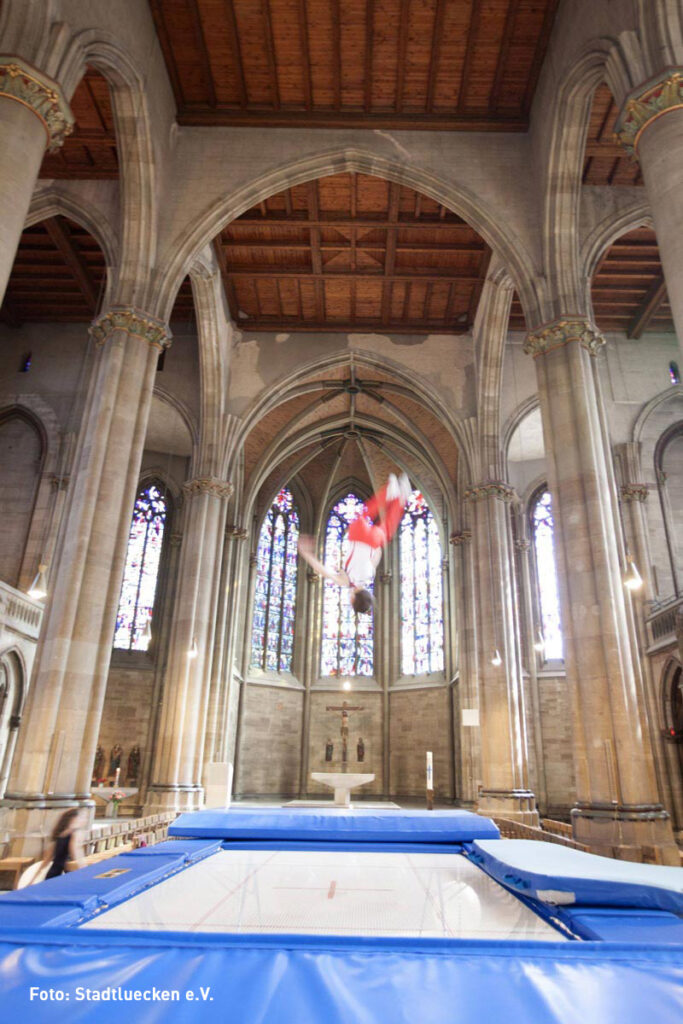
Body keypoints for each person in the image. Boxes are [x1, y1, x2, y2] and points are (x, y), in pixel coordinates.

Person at [298, 473, 411, 614]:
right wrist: (306, 553)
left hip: (375, 542)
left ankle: (401, 498)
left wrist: (372, 545)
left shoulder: (370, 576)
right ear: (352, 599)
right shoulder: (347, 581)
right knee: (362, 514)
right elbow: (322, 570)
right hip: (359, 537)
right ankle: (390, 492)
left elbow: (377, 554)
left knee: (387, 529)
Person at [40, 808, 86, 880]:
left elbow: (46, 860)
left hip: (53, 874)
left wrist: (32, 880)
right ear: (73, 819)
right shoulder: (75, 833)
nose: (84, 820)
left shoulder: (61, 835)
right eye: (82, 817)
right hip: (66, 875)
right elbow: (75, 855)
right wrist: (84, 870)